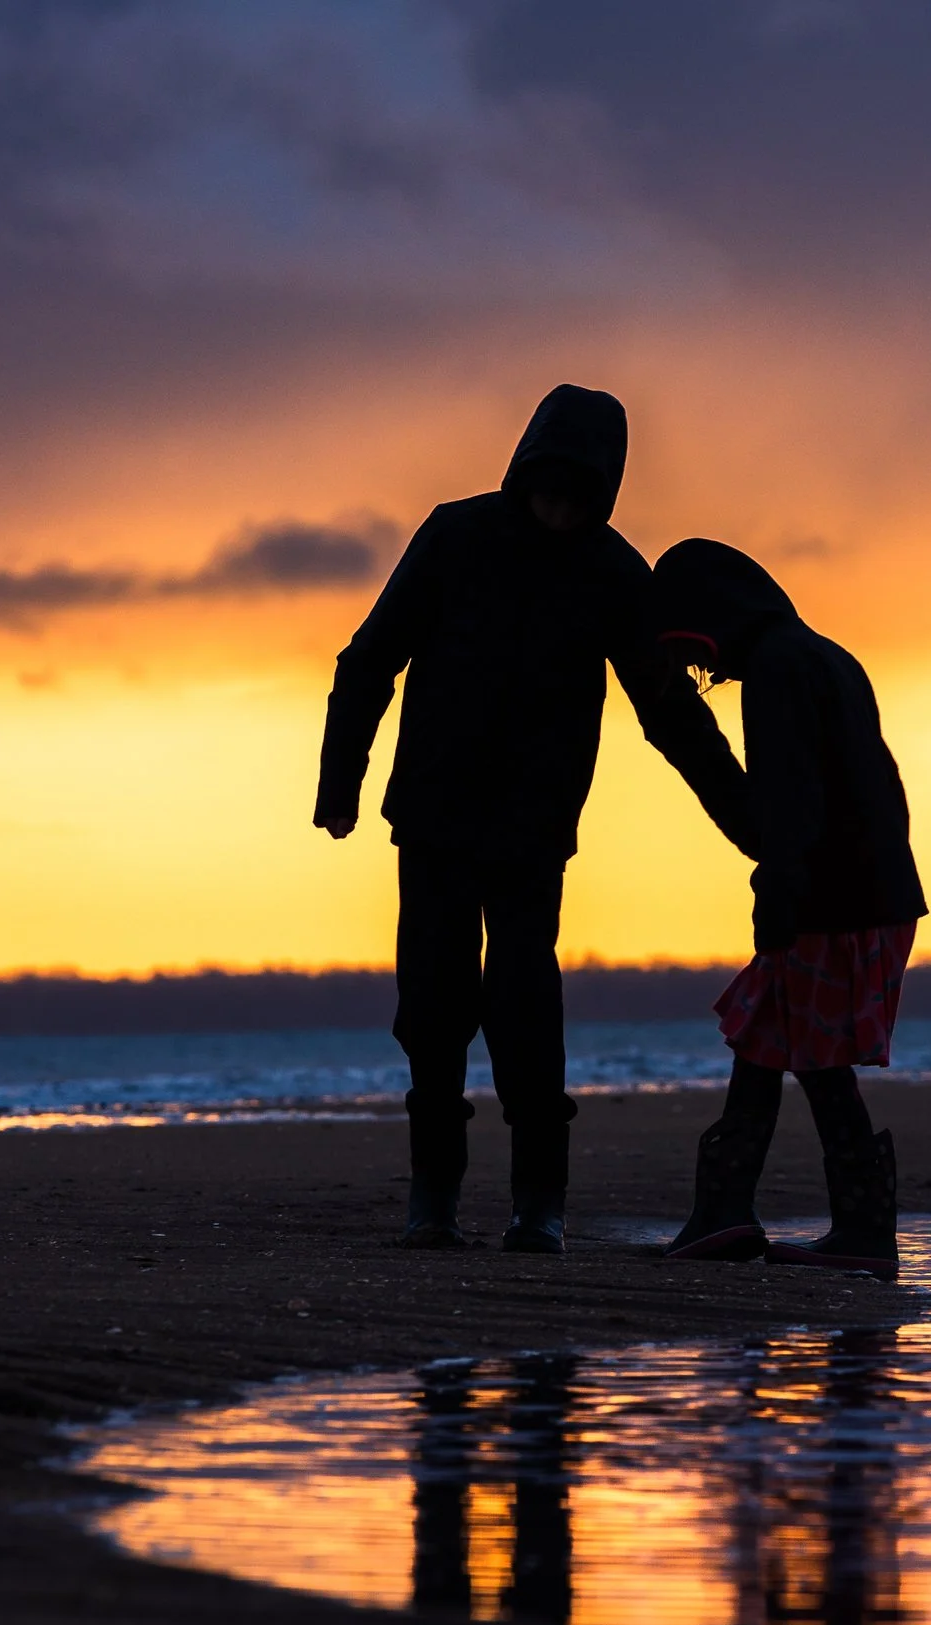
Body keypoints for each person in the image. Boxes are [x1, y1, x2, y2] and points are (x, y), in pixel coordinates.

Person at [314, 385, 753, 1254]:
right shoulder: (455, 535)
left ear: (602, 495)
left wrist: (745, 816)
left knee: (524, 1008)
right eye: (548, 488)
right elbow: (370, 658)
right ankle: (433, 1198)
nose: (558, 508)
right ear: (523, 473)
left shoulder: (614, 574)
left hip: (532, 832)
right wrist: (341, 783)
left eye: (577, 496)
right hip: (434, 819)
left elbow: (668, 710)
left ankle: (538, 1203)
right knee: (432, 1010)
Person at [650, 539, 925, 1279]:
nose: (699, 672)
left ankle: (858, 1230)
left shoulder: (775, 671)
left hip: (833, 899)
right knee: (767, 1038)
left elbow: (789, 800)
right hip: (865, 892)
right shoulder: (821, 656)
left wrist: (779, 895)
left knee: (813, 1054)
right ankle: (728, 1215)